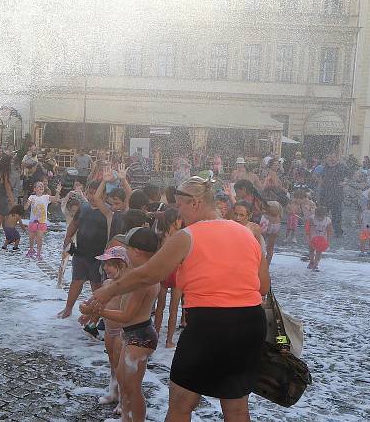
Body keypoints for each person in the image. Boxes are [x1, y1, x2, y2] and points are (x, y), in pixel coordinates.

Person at [90, 176, 270, 422]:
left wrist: (108, 291)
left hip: (209, 324)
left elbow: (148, 274)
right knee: (236, 406)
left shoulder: (188, 235)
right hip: (250, 323)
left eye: (180, 205)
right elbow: (263, 286)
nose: (178, 212)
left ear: (195, 203)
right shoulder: (247, 234)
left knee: (180, 405)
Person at [81, 228, 160, 422]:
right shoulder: (137, 274)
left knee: (132, 390)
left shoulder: (144, 280)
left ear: (136, 251)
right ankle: (126, 418)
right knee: (125, 385)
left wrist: (96, 312)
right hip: (130, 334)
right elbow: (114, 299)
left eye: (126, 248)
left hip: (140, 337)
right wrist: (94, 309)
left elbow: (126, 315)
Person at [58, 177, 115, 319]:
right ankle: (68, 308)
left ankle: (96, 315)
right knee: (76, 281)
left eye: (94, 193)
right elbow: (75, 224)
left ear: (103, 195)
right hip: (80, 252)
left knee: (96, 285)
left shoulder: (107, 212)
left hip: (98, 256)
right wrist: (68, 237)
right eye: (89, 193)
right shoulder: (83, 207)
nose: (90, 197)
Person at [93, 246, 130, 409]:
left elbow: (126, 311)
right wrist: (89, 314)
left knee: (121, 365)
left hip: (122, 329)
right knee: (112, 362)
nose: (105, 268)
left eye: (109, 264)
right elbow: (99, 300)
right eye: (105, 264)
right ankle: (112, 391)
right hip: (109, 328)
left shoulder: (127, 285)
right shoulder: (107, 282)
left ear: (121, 265)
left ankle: (124, 398)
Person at [153, 207, 185, 348]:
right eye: (180, 219)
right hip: (177, 273)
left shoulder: (162, 236)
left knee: (160, 307)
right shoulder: (182, 236)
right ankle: (169, 341)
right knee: (174, 309)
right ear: (175, 221)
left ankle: (155, 336)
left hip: (163, 273)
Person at [24, 181, 60, 261]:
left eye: (42, 186)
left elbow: (56, 199)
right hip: (32, 221)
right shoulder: (31, 197)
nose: (41, 187)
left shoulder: (46, 197)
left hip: (42, 222)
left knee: (39, 238)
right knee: (31, 237)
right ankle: (31, 250)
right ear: (34, 189)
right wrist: (28, 203)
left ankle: (39, 253)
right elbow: (25, 208)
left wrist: (58, 191)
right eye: (39, 186)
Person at [57, 188, 83, 288]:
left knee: (77, 265)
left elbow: (87, 204)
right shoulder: (68, 215)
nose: (74, 212)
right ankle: (59, 283)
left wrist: (81, 195)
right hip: (69, 242)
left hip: (79, 243)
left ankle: (75, 283)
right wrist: (68, 194)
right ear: (70, 209)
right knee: (64, 262)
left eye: (76, 211)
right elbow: (63, 204)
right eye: (72, 210)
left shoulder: (82, 216)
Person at [318, 154, 348, 236]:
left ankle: (338, 231)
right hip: (326, 193)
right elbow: (321, 178)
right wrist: (320, 188)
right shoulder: (326, 167)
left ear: (337, 158)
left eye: (333, 157)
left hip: (337, 194)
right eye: (330, 157)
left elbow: (347, 177)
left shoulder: (341, 167)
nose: (332, 158)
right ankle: (322, 229)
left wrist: (344, 183)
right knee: (324, 212)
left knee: (337, 214)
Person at [307, 205, 332, 270]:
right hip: (313, 236)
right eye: (318, 217)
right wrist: (310, 239)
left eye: (322, 217)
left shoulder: (328, 220)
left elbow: (329, 231)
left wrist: (328, 241)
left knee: (319, 252)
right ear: (315, 214)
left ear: (325, 215)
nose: (320, 218)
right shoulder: (312, 218)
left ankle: (316, 264)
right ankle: (311, 261)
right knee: (311, 250)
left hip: (322, 238)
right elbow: (310, 229)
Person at [260, 201, 282, 265]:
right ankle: (267, 264)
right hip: (275, 229)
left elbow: (262, 229)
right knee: (270, 247)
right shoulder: (278, 217)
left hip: (265, 229)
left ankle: (261, 262)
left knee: (261, 245)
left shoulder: (266, 216)